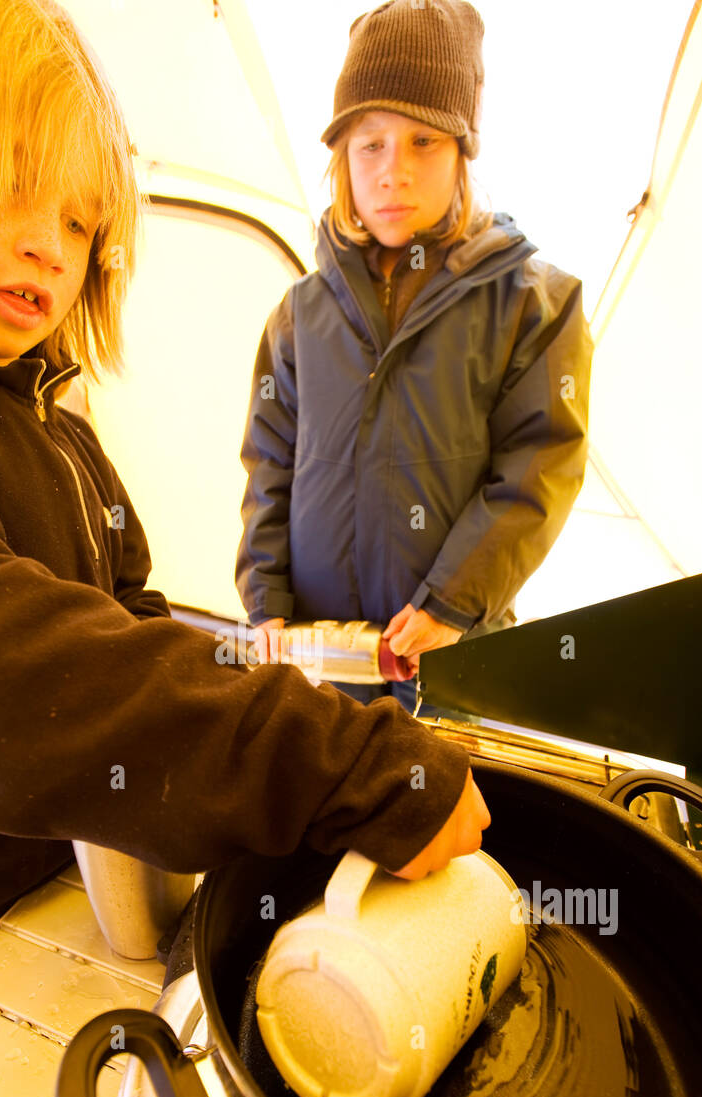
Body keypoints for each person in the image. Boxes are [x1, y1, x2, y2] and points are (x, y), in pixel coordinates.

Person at [0, 0, 488, 984]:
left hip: (123, 847)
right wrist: (326, 758)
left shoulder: (52, 414)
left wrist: (272, 679)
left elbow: (131, 613)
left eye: (78, 220)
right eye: (18, 189)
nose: (53, 249)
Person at [237, 0, 593, 715]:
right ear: (341, 158)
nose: (392, 172)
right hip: (319, 671)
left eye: (422, 141)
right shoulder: (298, 315)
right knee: (322, 825)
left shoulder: (535, 304)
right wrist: (266, 603)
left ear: (463, 148)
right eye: (369, 144)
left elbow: (538, 468)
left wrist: (449, 605)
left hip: (452, 663)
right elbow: (268, 464)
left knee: (446, 822)